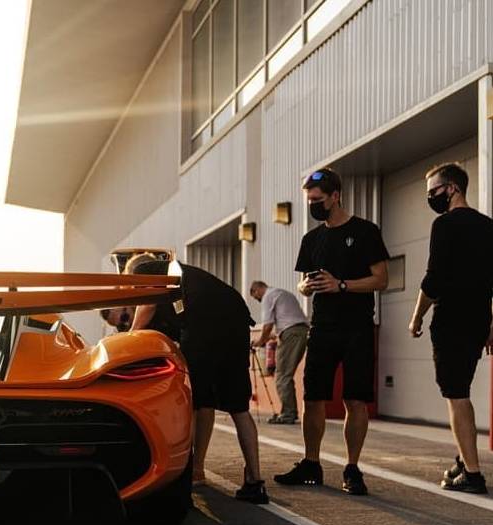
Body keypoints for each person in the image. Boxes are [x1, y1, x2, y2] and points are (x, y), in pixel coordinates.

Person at [274, 168, 389, 495]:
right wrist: (306, 287)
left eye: (318, 200)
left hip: (357, 329)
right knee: (312, 398)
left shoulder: (365, 231)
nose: (313, 205)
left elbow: (382, 280)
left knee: (355, 400)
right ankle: (311, 463)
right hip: (322, 328)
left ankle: (352, 468)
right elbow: (302, 283)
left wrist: (342, 285)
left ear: (335, 196)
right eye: (309, 200)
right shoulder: (312, 239)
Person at [127, 254, 268, 504]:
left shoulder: (147, 270)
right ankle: (255, 481)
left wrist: (127, 340)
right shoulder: (184, 276)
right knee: (237, 407)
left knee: (193, 403)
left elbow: (144, 312)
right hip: (236, 323)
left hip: (204, 328)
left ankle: (186, 477)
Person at [408, 162, 490, 494]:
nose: (431, 198)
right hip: (478, 320)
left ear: (452, 188)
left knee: (456, 395)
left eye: (433, 191)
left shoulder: (444, 225)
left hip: (451, 320)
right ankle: (463, 457)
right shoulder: (488, 226)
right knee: (461, 389)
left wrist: (416, 316)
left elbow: (434, 279)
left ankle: (473, 474)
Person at [249, 281, 309, 425]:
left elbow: (268, 325)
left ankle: (288, 414)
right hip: (301, 332)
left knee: (282, 375)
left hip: (291, 334)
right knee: (286, 374)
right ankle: (289, 411)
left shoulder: (268, 296)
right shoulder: (283, 293)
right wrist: (265, 338)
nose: (258, 300)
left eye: (256, 297)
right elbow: (285, 322)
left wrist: (260, 341)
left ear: (256, 290)